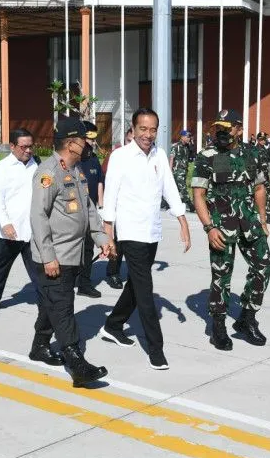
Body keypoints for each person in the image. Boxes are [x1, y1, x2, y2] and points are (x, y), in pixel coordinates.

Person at [99, 108, 191, 371]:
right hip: (130, 233)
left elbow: (169, 187)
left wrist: (182, 220)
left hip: (151, 232)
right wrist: (108, 234)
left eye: (153, 130)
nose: (148, 135)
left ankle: (113, 325)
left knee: (135, 286)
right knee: (145, 290)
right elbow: (111, 196)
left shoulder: (159, 155)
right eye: (143, 129)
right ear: (133, 128)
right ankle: (156, 349)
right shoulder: (120, 157)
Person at [29, 116, 113, 386]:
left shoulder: (76, 170)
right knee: (63, 307)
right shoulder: (48, 172)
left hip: (73, 255)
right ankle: (76, 361)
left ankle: (40, 346)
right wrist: (48, 256)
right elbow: (38, 216)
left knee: (52, 304)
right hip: (54, 257)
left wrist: (102, 239)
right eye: (85, 140)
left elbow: (88, 210)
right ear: (71, 143)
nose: (90, 144)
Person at [192, 109, 270, 351]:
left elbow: (259, 188)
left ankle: (247, 318)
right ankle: (217, 326)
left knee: (263, 266)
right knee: (221, 276)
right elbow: (198, 195)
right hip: (220, 224)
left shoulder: (253, 153)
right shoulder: (207, 155)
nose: (223, 133)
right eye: (219, 128)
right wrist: (208, 228)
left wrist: (263, 219)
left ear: (239, 128)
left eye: (228, 128)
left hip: (250, 221)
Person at [0, 128, 39, 316]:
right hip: (8, 231)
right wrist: (6, 223)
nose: (28, 150)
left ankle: (45, 301)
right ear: (13, 146)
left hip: (31, 230)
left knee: (38, 269)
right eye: (24, 147)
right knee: (0, 268)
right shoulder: (2, 167)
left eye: (31, 146)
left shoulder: (36, 165)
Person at [77, 121, 105, 298]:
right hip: (74, 213)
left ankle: (84, 284)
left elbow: (100, 182)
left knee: (88, 249)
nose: (93, 142)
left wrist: (100, 206)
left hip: (91, 211)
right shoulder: (74, 160)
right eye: (90, 138)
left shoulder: (93, 158)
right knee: (72, 249)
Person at [103, 128, 134, 289]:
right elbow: (107, 180)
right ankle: (113, 272)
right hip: (118, 208)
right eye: (129, 141)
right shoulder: (117, 156)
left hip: (134, 210)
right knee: (117, 244)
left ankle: (133, 274)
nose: (132, 144)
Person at [170, 129, 195, 212]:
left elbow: (192, 157)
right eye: (187, 137)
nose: (189, 139)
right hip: (177, 171)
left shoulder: (187, 147)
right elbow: (171, 159)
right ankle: (190, 205)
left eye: (190, 137)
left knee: (175, 189)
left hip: (184, 171)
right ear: (182, 137)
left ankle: (165, 203)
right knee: (183, 188)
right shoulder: (176, 146)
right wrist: (169, 171)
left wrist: (192, 144)